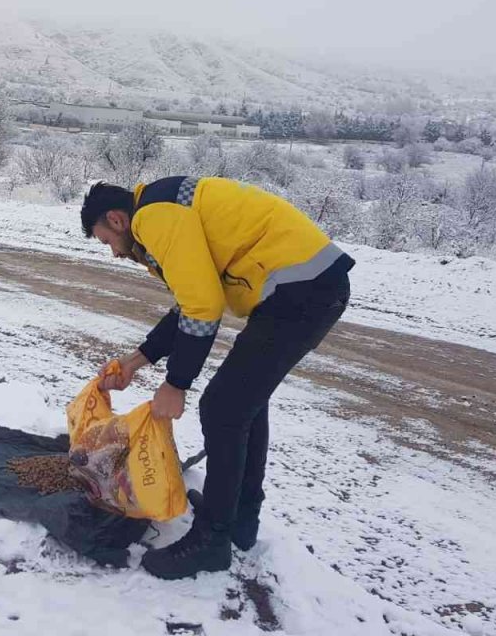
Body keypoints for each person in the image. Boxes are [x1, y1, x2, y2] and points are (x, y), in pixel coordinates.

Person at [80, 175, 354, 579]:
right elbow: (190, 304)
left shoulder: (153, 219)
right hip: (305, 290)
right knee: (241, 404)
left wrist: (176, 384)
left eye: (106, 242)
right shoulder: (161, 206)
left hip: (303, 293)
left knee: (223, 408)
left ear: (117, 221)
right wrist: (136, 361)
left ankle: (213, 539)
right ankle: (239, 520)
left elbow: (202, 307)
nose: (115, 254)